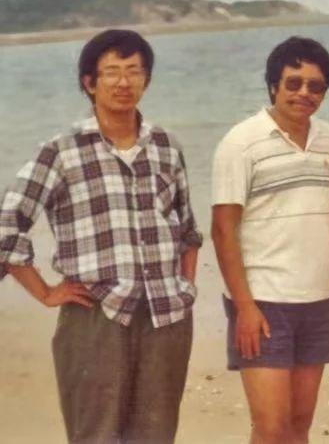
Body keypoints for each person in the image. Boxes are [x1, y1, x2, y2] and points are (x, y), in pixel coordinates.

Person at [0, 29, 201, 443]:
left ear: (146, 79)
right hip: (95, 315)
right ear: (89, 83)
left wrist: (185, 289)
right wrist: (45, 292)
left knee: (156, 435)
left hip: (166, 317)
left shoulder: (166, 146)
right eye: (112, 72)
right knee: (95, 435)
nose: (123, 82)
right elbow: (7, 222)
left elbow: (186, 230)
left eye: (134, 71)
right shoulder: (62, 150)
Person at [211, 36, 329, 444]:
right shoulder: (241, 142)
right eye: (293, 83)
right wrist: (245, 307)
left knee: (299, 425)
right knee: (271, 428)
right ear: (273, 86)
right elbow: (223, 229)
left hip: (319, 299)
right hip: (263, 301)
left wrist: (316, 223)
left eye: (315, 86)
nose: (304, 93)